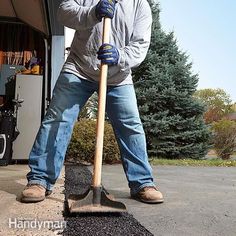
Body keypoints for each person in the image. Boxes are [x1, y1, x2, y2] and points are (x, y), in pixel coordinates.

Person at [21, 0, 164, 204]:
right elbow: (64, 12)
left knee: (130, 126)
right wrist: (93, 13)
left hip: (118, 75)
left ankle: (142, 182)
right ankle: (39, 179)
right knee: (57, 118)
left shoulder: (139, 4)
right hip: (79, 68)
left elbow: (140, 45)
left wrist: (119, 56)